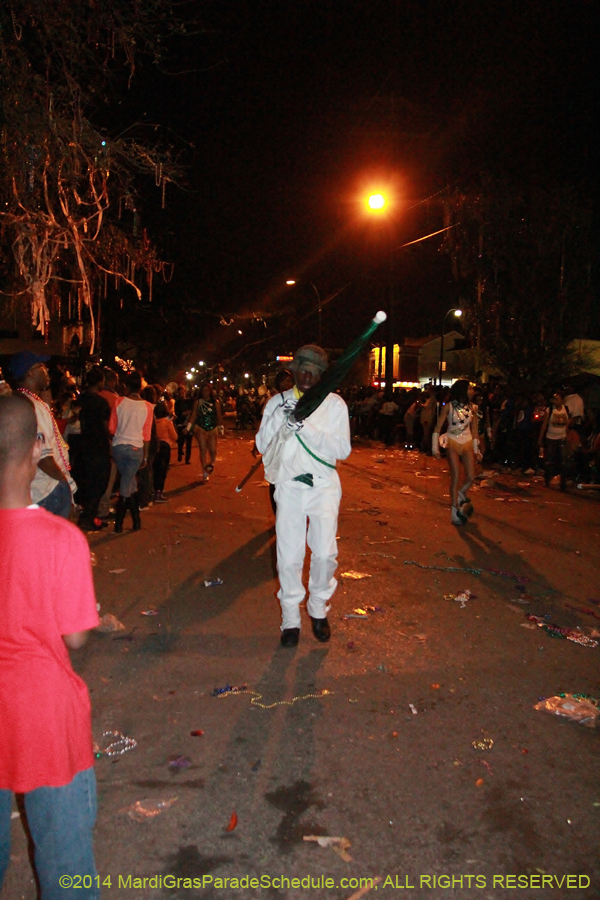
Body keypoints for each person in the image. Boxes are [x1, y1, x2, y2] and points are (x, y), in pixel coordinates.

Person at [0, 393, 100, 900]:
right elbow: (77, 636)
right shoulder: (62, 540)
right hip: (44, 721)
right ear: (38, 446)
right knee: (67, 871)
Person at [255, 344, 351, 647]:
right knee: (289, 557)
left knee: (324, 554)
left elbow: (342, 450)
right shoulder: (276, 402)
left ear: (322, 375)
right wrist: (281, 419)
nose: (308, 375)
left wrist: (304, 425)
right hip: (289, 485)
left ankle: (318, 607)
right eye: (303, 368)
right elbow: (262, 445)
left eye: (314, 371)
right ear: (293, 371)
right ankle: (291, 620)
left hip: (323, 485)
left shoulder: (335, 405)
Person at [9, 351, 76, 519]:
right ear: (30, 372)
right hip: (48, 488)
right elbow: (43, 458)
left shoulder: (24, 402)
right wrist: (64, 484)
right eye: (41, 366)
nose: (46, 370)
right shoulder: (33, 407)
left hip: (38, 488)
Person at [109, 372, 153, 532]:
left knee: (129, 483)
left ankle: (135, 522)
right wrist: (146, 456)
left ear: (126, 385)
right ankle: (119, 523)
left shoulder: (118, 402)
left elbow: (112, 428)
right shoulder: (148, 406)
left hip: (119, 447)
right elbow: (146, 435)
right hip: (136, 449)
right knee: (127, 484)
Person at [433, 379, 480, 525]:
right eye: (470, 389)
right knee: (455, 477)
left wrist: (476, 449)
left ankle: (460, 493)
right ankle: (454, 511)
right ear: (463, 390)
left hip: (467, 442)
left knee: (471, 476)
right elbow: (437, 427)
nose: (473, 391)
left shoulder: (473, 408)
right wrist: (435, 448)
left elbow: (475, 429)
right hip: (453, 441)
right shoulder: (448, 407)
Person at [77, 367, 111, 531]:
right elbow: (106, 427)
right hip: (98, 445)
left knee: (87, 481)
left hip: (82, 444)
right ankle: (88, 517)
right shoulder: (100, 402)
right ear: (99, 382)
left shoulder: (81, 399)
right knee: (99, 483)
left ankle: (90, 515)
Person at [189, 383, 223, 481]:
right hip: (200, 428)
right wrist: (188, 427)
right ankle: (204, 470)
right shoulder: (198, 402)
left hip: (212, 428)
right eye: (204, 390)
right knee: (203, 450)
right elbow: (193, 415)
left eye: (207, 390)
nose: (205, 392)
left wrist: (221, 428)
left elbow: (219, 415)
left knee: (212, 450)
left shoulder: (215, 402)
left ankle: (211, 464)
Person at [539, 390, 569, 491]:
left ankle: (563, 484)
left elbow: (568, 423)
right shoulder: (550, 410)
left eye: (557, 399)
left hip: (562, 438)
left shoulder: (566, 409)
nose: (554, 401)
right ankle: (547, 479)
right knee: (549, 461)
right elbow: (544, 425)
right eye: (554, 399)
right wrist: (541, 438)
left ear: (562, 400)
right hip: (551, 438)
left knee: (563, 461)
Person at [153, 402, 178, 502]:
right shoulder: (167, 422)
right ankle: (159, 493)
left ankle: (154, 490)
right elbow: (175, 437)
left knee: (155, 469)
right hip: (165, 447)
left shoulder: (154, 423)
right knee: (162, 470)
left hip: (155, 446)